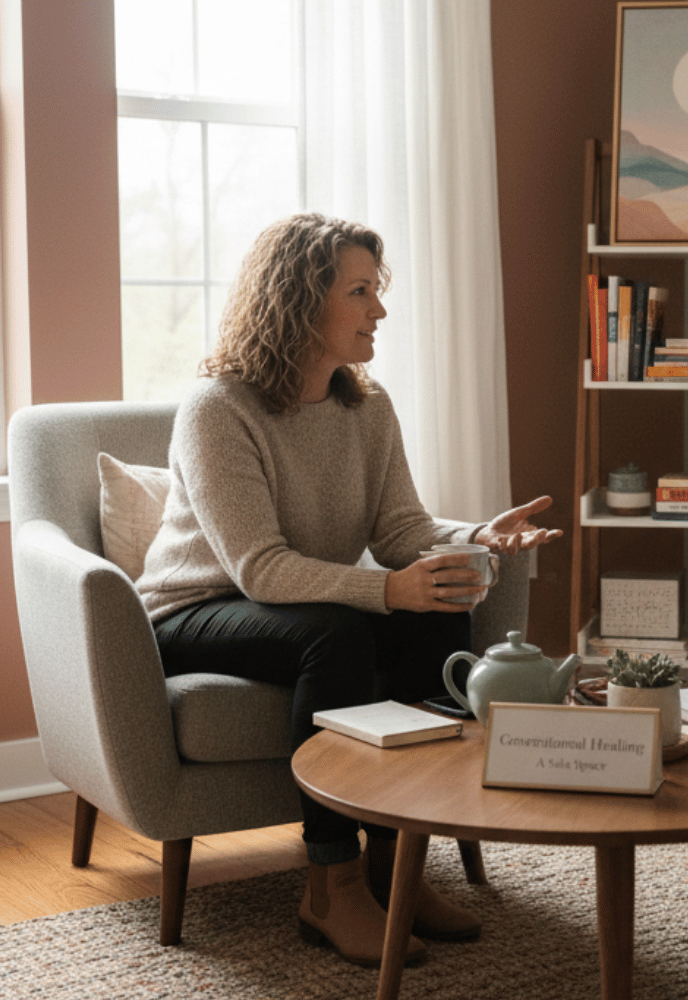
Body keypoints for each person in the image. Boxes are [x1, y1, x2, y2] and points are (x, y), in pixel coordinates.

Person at [136, 212, 561, 969]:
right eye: (361, 291)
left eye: (377, 289)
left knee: (437, 612)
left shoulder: (367, 407)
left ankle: (392, 869)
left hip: (305, 604)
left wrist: (475, 542)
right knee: (337, 633)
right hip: (194, 609)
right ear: (299, 300)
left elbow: (400, 530)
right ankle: (329, 885)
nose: (380, 310)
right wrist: (386, 590)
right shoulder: (217, 410)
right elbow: (260, 569)